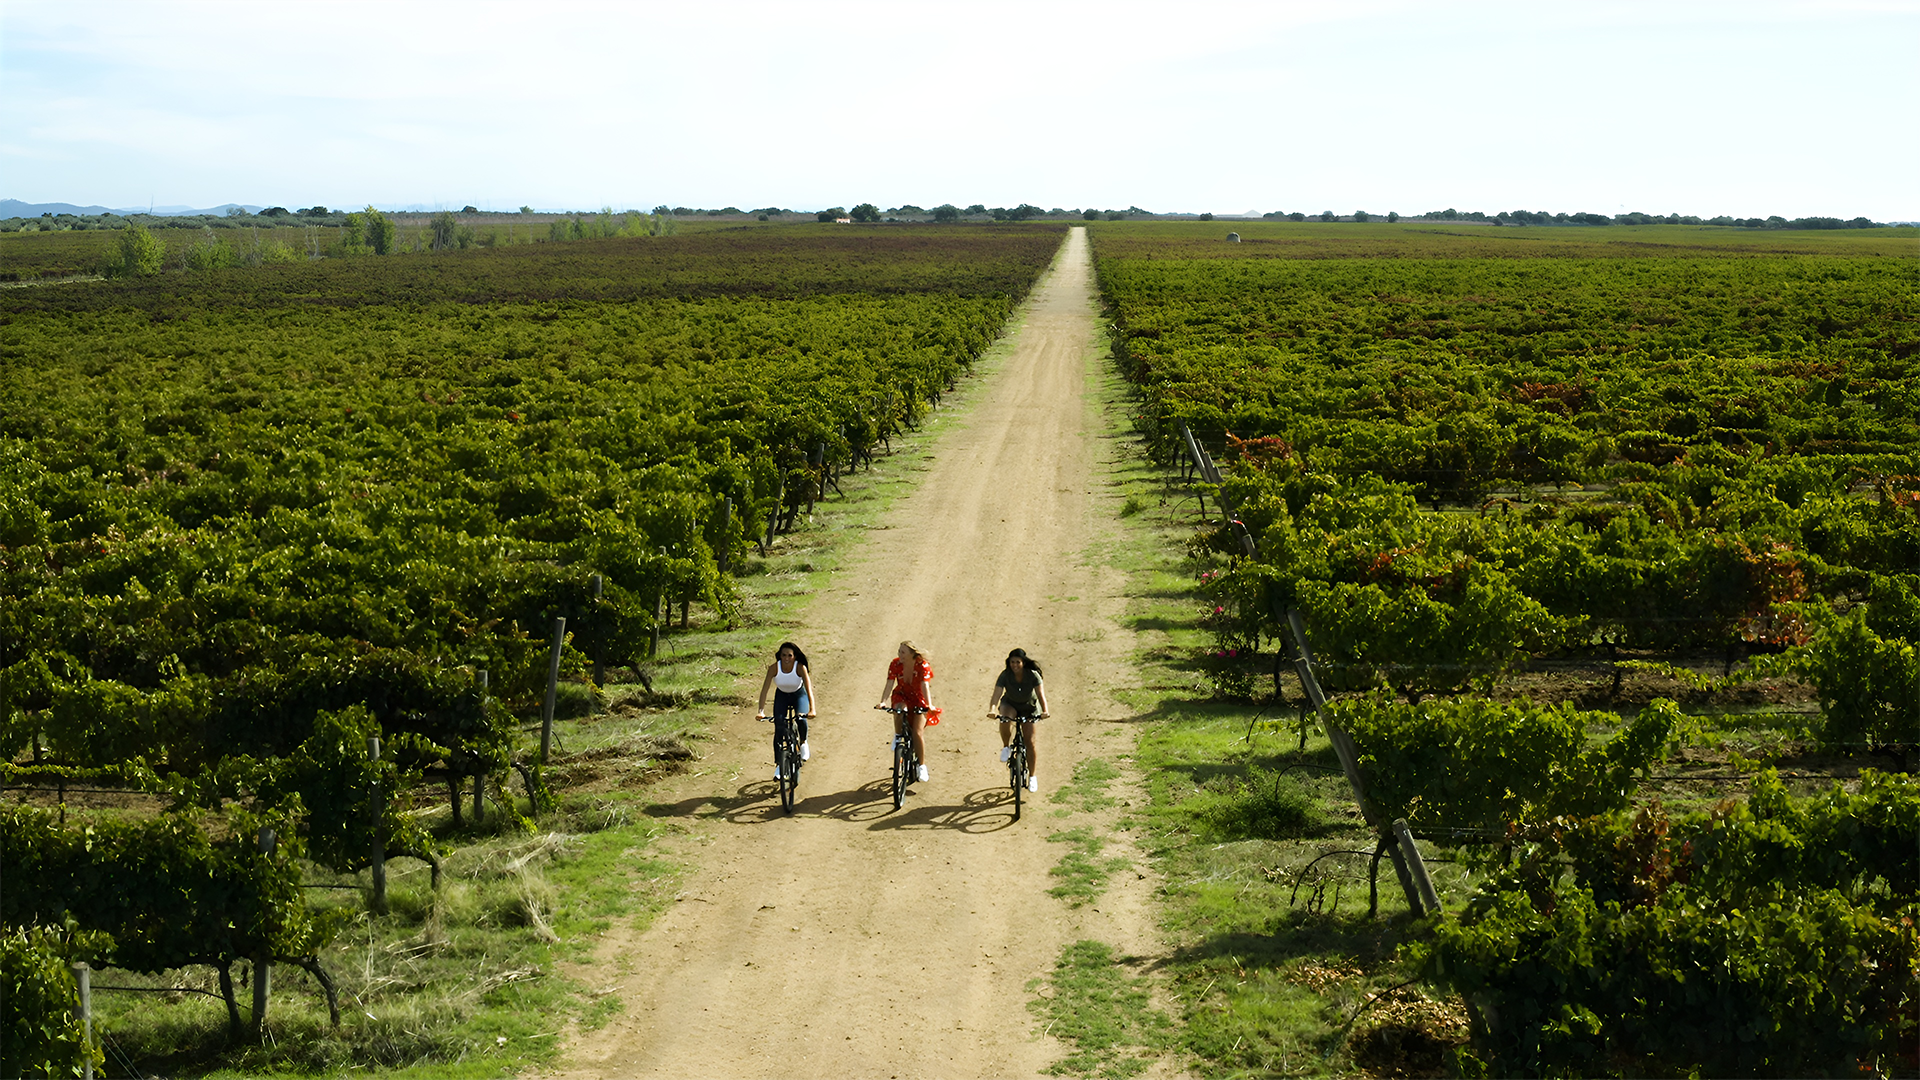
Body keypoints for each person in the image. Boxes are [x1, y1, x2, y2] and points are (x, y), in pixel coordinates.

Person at [986, 647, 1049, 792]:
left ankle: (1032, 777)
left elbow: (1041, 695)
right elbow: (997, 694)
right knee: (1005, 719)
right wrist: (992, 709)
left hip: (1029, 707)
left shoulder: (1033, 675)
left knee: (1030, 742)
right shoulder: (1005, 675)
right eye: (1012, 662)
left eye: (1018, 662)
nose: (1014, 665)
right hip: (1011, 704)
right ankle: (1006, 747)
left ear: (1023, 663)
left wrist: (1045, 710)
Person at [874, 640, 935, 782]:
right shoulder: (895, 664)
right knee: (899, 710)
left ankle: (921, 766)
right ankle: (897, 735)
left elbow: (924, 685)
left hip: (918, 698)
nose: (899, 654)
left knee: (917, 732)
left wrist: (929, 705)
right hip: (901, 695)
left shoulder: (922, 666)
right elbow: (889, 683)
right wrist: (883, 701)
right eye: (899, 651)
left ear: (912, 654)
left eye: (903, 652)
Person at [756, 642, 816, 780]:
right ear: (779, 656)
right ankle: (779, 765)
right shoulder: (774, 668)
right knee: (779, 726)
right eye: (783, 655)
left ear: (795, 656)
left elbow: (808, 689)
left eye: (790, 655)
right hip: (782, 696)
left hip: (798, 695)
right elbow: (764, 690)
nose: (786, 658)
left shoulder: (800, 667)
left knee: (801, 719)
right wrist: (761, 711)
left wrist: (812, 709)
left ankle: (803, 742)